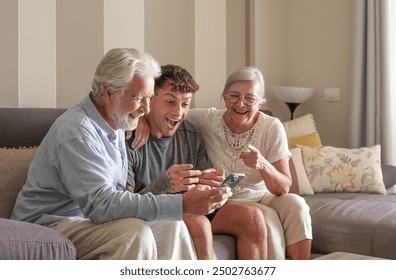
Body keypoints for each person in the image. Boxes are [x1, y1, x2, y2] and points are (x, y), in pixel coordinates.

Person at [10, 48, 232, 260]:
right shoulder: (77, 132)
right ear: (108, 92)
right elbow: (101, 204)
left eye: (149, 98)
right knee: (134, 233)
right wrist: (180, 204)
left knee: (171, 224)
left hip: (85, 220)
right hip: (49, 223)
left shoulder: (117, 123)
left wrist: (139, 116)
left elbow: (117, 197)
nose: (146, 108)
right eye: (139, 98)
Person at [127, 64, 268, 260]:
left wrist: (212, 184)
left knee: (252, 218)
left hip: (193, 208)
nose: (178, 112)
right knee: (198, 222)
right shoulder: (129, 137)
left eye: (185, 104)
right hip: (154, 212)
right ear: (150, 99)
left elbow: (203, 188)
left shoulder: (192, 135)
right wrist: (162, 185)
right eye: (170, 101)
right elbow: (121, 205)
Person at [185, 67, 313, 260]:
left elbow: (283, 188)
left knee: (297, 204)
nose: (240, 103)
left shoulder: (271, 127)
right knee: (266, 218)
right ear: (224, 97)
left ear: (261, 102)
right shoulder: (207, 119)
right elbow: (174, 112)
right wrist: (144, 123)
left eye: (250, 98)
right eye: (233, 96)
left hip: (262, 194)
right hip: (228, 198)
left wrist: (262, 164)